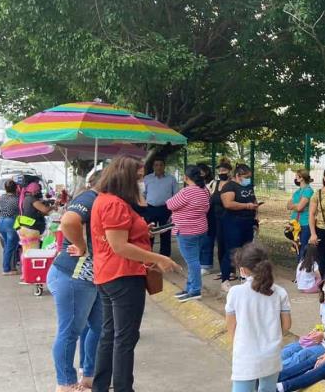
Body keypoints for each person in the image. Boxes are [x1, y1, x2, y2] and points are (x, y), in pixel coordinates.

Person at [90, 155, 181, 392]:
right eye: (138, 178)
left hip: (109, 274)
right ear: (126, 178)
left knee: (111, 335)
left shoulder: (106, 200)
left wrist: (143, 231)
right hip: (123, 275)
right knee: (125, 338)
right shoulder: (115, 204)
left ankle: (101, 386)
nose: (141, 182)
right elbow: (119, 246)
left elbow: (121, 237)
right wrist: (159, 258)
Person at [48, 170, 103, 392]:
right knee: (70, 331)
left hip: (93, 278)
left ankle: (88, 375)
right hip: (74, 275)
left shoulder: (104, 201)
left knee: (97, 327)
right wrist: (81, 246)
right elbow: (68, 221)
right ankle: (66, 383)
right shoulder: (88, 199)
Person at [226, 243, 292, 392]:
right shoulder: (280, 292)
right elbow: (286, 325)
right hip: (271, 353)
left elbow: (231, 327)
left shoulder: (235, 293)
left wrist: (236, 344)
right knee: (268, 389)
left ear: (242, 269)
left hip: (245, 353)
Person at [280, 270, 325, 373]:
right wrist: (316, 330)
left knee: (301, 356)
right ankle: (265, 366)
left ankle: (272, 373)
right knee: (290, 349)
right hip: (320, 339)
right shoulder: (324, 304)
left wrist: (324, 335)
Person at [167, 165, 211, 302]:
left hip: (186, 231)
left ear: (186, 178)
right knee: (194, 260)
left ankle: (195, 290)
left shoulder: (187, 192)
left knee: (192, 262)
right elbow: (206, 208)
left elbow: (170, 204)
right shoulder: (204, 191)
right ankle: (190, 287)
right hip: (200, 229)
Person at [220, 164, 261, 292]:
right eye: (245, 177)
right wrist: (246, 206)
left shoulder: (248, 186)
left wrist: (255, 211)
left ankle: (246, 276)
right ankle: (225, 279)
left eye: (249, 177)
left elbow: (253, 199)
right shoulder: (229, 186)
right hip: (233, 223)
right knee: (232, 251)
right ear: (237, 175)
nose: (248, 179)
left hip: (248, 221)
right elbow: (228, 204)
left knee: (247, 251)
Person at [142, 158, 178, 257]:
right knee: (149, 233)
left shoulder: (171, 179)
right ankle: (148, 256)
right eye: (156, 165)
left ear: (164, 166)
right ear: (153, 167)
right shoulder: (147, 178)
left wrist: (173, 212)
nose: (158, 167)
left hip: (166, 209)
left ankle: (165, 257)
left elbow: (175, 195)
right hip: (150, 209)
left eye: (161, 165)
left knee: (165, 234)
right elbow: (143, 194)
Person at [208, 161, 233, 277]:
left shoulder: (233, 184)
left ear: (230, 171)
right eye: (220, 170)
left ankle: (231, 270)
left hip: (230, 218)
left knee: (230, 244)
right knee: (220, 245)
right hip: (216, 219)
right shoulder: (214, 184)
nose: (222, 172)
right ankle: (223, 270)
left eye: (224, 170)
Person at [18, 181, 52, 253]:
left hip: (25, 228)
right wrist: (53, 207)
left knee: (27, 252)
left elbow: (34, 212)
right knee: (32, 253)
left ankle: (25, 263)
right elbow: (44, 209)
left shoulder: (26, 198)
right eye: (37, 191)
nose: (38, 193)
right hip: (31, 230)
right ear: (34, 191)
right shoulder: (32, 199)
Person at [288, 169, 314, 262]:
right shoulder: (297, 191)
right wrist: (295, 206)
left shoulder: (308, 191)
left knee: (303, 248)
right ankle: (300, 271)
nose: (295, 178)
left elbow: (300, 208)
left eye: (296, 176)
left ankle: (303, 271)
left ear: (301, 178)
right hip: (295, 224)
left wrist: (294, 206)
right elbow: (288, 205)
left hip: (305, 224)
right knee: (297, 247)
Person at [0, 180, 20, 275]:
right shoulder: (17, 199)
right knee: (11, 247)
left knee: (7, 246)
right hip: (10, 222)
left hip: (1, 222)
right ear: (16, 188)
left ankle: (11, 267)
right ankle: (7, 269)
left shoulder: (2, 197)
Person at [196, 163, 215, 275]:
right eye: (198, 171)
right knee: (199, 240)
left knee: (207, 239)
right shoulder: (195, 184)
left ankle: (206, 265)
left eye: (203, 170)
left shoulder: (212, 183)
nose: (201, 173)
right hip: (198, 214)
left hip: (209, 214)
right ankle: (199, 262)